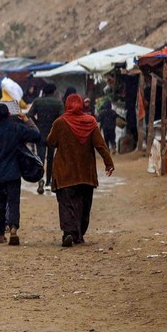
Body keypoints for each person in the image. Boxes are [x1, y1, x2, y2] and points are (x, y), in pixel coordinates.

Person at [46, 94, 115, 247]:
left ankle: (69, 232)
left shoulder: (60, 122)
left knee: (66, 204)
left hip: (64, 172)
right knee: (84, 205)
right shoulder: (90, 122)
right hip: (86, 172)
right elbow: (100, 145)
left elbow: (51, 141)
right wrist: (108, 163)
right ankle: (79, 234)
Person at [0, 104, 41, 246]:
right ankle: (13, 228)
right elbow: (36, 135)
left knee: (0, 203)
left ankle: (1, 234)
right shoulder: (17, 128)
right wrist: (27, 119)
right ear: (9, 114)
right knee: (14, 202)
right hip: (14, 172)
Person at [26, 83, 64, 194]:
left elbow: (29, 115)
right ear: (54, 92)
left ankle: (40, 179)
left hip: (40, 133)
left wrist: (37, 122)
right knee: (51, 158)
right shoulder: (58, 103)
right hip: (52, 133)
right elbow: (62, 118)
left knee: (40, 157)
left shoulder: (37, 101)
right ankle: (48, 182)